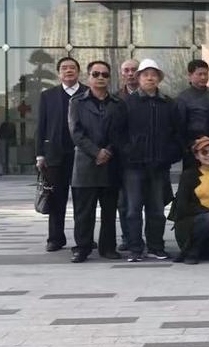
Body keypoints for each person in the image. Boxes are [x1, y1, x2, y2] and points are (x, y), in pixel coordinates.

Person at [122, 58, 182, 262]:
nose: (149, 78)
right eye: (145, 75)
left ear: (159, 79)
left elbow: (177, 134)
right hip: (133, 166)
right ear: (138, 78)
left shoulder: (168, 104)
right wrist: (129, 153)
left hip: (159, 166)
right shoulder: (127, 103)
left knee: (156, 209)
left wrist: (169, 156)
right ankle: (135, 248)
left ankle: (156, 246)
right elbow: (118, 133)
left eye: (153, 75)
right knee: (133, 209)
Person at [68, 60, 127, 263]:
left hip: (110, 163)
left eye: (104, 74)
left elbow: (121, 132)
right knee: (84, 212)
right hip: (85, 164)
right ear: (88, 77)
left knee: (109, 211)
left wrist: (108, 151)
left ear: (109, 78)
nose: (100, 78)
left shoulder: (118, 104)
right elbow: (76, 132)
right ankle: (82, 248)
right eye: (96, 74)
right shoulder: (77, 102)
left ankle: (108, 247)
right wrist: (96, 152)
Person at [35, 56, 87, 253]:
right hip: (55, 155)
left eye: (72, 67)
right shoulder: (48, 96)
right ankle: (55, 239)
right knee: (57, 199)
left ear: (78, 72)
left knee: (83, 200)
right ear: (59, 73)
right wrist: (40, 155)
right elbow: (41, 126)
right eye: (64, 68)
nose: (68, 70)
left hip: (83, 155)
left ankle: (84, 239)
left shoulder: (87, 93)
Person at [169, 136, 209, 264]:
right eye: (204, 152)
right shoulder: (188, 175)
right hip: (188, 225)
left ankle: (204, 250)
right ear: (197, 156)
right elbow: (182, 206)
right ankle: (191, 251)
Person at [115, 57, 139, 251]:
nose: (131, 74)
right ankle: (128, 238)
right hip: (123, 160)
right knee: (124, 203)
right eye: (127, 70)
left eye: (134, 70)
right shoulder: (115, 99)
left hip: (149, 160)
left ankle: (150, 240)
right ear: (122, 74)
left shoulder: (155, 96)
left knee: (151, 204)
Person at [175, 59, 209, 156]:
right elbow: (180, 127)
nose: (203, 77)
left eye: (205, 74)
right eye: (199, 74)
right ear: (190, 75)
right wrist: (187, 146)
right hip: (193, 146)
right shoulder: (182, 98)